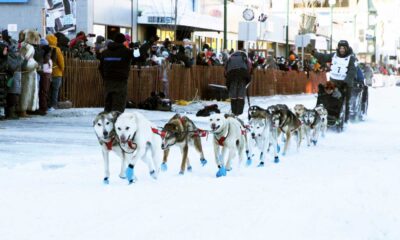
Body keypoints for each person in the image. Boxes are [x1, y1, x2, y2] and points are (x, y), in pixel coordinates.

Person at [310, 40, 357, 122]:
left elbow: (352, 71)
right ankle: (329, 115)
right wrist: (314, 53)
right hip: (333, 81)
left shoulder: (351, 58)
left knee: (344, 100)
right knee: (330, 98)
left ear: (347, 48)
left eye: (344, 48)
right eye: (340, 48)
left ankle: (345, 119)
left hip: (345, 83)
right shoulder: (334, 55)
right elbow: (323, 57)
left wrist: (346, 82)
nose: (342, 50)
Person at [98, 33, 132, 113]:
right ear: (123, 41)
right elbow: (139, 56)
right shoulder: (126, 52)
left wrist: (105, 77)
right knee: (118, 106)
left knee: (108, 104)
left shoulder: (105, 53)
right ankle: (116, 123)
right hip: (121, 82)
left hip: (108, 81)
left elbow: (100, 67)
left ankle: (107, 123)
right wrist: (137, 47)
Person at [224, 50, 252, 115]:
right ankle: (240, 112)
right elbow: (249, 66)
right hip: (243, 73)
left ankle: (234, 112)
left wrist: (227, 78)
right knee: (241, 92)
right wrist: (248, 75)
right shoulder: (244, 56)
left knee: (233, 93)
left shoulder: (230, 58)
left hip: (231, 75)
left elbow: (225, 68)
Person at [46, 34, 65, 111]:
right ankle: (54, 105)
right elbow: (61, 62)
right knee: (55, 90)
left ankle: (47, 105)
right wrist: (62, 69)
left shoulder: (46, 48)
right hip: (57, 73)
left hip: (47, 72)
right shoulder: (57, 49)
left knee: (47, 90)